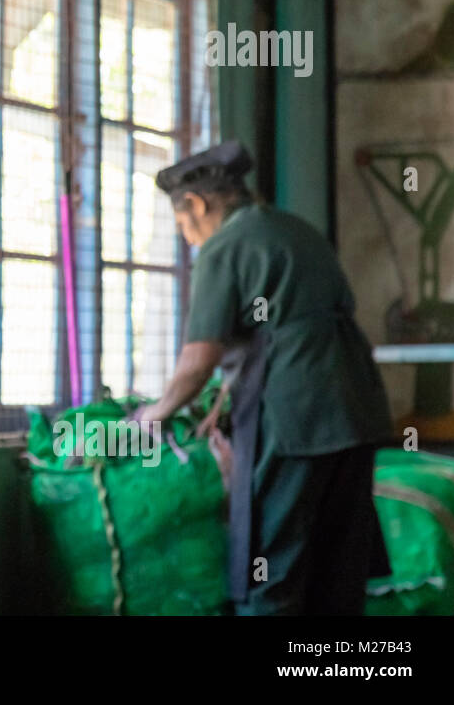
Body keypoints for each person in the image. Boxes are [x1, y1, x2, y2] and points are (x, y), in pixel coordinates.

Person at [137, 140, 393, 614]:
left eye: (181, 226)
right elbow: (281, 324)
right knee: (338, 567)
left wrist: (153, 414)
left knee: (270, 563)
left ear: (195, 204)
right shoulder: (296, 229)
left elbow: (198, 361)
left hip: (296, 416)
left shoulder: (223, 247)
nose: (188, 239)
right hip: (356, 411)